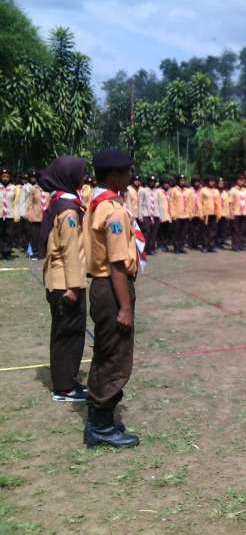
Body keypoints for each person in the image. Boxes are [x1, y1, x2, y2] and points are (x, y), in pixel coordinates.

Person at [83, 149, 140, 448]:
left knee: (105, 352)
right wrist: (126, 307)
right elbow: (118, 262)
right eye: (127, 172)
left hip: (102, 286)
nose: (130, 177)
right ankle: (102, 428)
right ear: (115, 175)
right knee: (116, 356)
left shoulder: (96, 203)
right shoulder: (113, 210)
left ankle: (98, 420)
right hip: (112, 288)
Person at [39, 156, 88, 403]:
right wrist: (75, 287)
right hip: (66, 283)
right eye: (80, 173)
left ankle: (66, 381)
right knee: (70, 334)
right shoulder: (68, 210)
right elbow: (70, 252)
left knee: (63, 334)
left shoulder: (59, 202)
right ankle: (65, 387)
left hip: (56, 280)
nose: (83, 178)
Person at [26, 170, 49, 259]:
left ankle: (43, 252)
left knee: (45, 235)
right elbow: (30, 203)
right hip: (35, 216)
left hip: (46, 216)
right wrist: (29, 215)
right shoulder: (34, 189)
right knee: (35, 235)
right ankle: (35, 252)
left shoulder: (49, 188)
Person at [230, 174, 246, 252]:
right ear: (236, 181)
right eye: (240, 180)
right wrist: (231, 213)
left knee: (242, 229)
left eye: (242, 180)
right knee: (235, 229)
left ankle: (240, 244)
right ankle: (235, 245)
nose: (241, 181)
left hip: (244, 212)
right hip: (236, 212)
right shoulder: (233, 190)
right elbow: (230, 203)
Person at [138, 176, 161, 255]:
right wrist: (140, 215)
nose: (152, 183)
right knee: (147, 232)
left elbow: (159, 203)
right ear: (148, 182)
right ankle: (144, 249)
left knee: (154, 232)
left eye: (154, 181)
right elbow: (140, 203)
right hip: (146, 214)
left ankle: (151, 248)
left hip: (155, 214)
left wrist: (160, 215)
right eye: (151, 181)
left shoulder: (157, 191)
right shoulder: (143, 191)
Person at [168, 174, 190, 254]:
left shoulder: (188, 191)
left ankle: (181, 247)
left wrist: (189, 213)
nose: (182, 182)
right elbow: (171, 203)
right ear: (178, 181)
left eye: (183, 180)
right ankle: (176, 248)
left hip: (186, 215)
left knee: (183, 232)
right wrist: (173, 214)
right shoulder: (173, 190)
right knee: (176, 232)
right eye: (181, 180)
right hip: (177, 215)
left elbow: (190, 203)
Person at [201, 176, 220, 253]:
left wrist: (219, 213)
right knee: (206, 231)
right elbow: (200, 202)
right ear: (207, 182)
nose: (212, 182)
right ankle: (205, 246)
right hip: (206, 213)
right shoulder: (203, 190)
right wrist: (201, 213)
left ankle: (211, 246)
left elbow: (218, 203)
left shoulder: (216, 191)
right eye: (210, 181)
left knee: (213, 230)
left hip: (214, 213)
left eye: (213, 181)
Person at [0, 168, 15, 260]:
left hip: (9, 214)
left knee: (9, 234)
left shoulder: (14, 188)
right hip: (0, 214)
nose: (5, 178)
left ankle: (7, 252)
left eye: (7, 176)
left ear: (10, 177)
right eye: (3, 176)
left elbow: (17, 202)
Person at [188, 175, 204, 250]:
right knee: (191, 229)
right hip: (191, 212)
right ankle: (191, 243)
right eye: (195, 182)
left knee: (198, 228)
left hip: (199, 212)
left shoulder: (202, 190)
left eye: (198, 182)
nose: (197, 183)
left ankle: (197, 243)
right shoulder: (189, 190)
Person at [157, 177, 172, 252]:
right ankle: (160, 244)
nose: (167, 185)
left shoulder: (170, 191)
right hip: (161, 214)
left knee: (167, 230)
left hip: (168, 214)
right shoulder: (159, 192)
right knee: (161, 230)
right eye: (165, 183)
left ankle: (165, 244)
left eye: (168, 183)